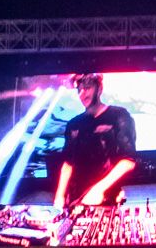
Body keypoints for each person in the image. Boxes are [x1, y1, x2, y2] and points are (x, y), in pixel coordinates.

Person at [55, 73, 137, 209]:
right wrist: (60, 195)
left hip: (107, 198)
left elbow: (128, 161)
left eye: (87, 88)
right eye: (79, 90)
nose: (82, 94)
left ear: (99, 89)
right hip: (75, 200)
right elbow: (68, 163)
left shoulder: (119, 116)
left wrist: (99, 189)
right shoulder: (73, 124)